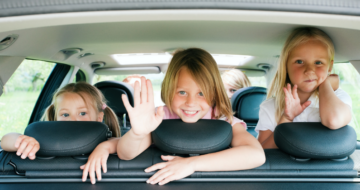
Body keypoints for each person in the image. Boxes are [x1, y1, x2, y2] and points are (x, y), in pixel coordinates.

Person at [115, 48, 265, 185]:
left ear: (214, 93)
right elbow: (125, 154)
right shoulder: (159, 117)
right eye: (182, 92)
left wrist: (191, 164)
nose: (191, 103)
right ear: (169, 90)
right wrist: (137, 134)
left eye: (201, 93)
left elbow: (256, 154)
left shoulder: (223, 119)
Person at [256, 27, 352, 149]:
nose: (309, 70)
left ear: (329, 67)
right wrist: (286, 118)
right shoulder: (271, 106)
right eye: (300, 61)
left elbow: (333, 120)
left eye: (318, 63)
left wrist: (325, 85)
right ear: (286, 64)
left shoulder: (339, 97)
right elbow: (262, 153)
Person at [0, 82, 120, 160]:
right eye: (65, 114)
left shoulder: (105, 142)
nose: (73, 120)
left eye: (82, 113)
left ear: (99, 118)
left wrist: (105, 147)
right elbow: (4, 141)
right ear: (55, 117)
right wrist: (21, 140)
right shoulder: (42, 141)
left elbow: (120, 143)